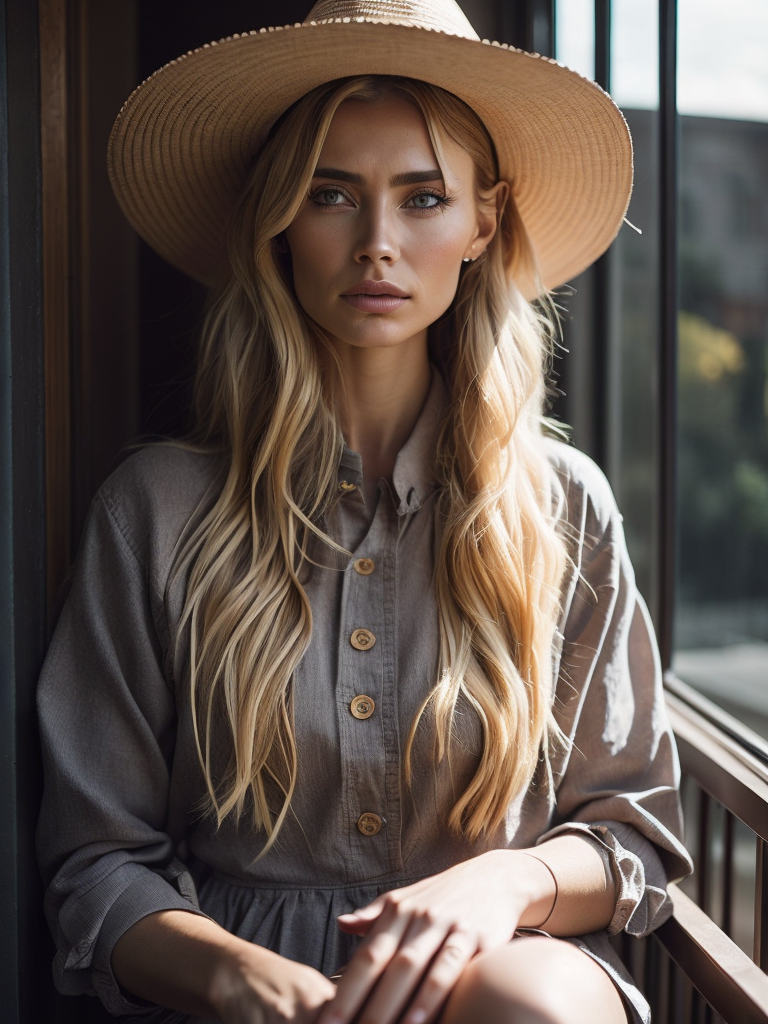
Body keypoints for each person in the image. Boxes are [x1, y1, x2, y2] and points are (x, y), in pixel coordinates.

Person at [37, 2, 692, 1023]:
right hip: (238, 990)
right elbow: (97, 860)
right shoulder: (157, 510)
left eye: (423, 197)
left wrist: (501, 883)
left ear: (483, 220)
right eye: (331, 193)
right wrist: (240, 975)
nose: (378, 243)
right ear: (280, 220)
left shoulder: (563, 506)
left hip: (507, 973)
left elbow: (634, 832)